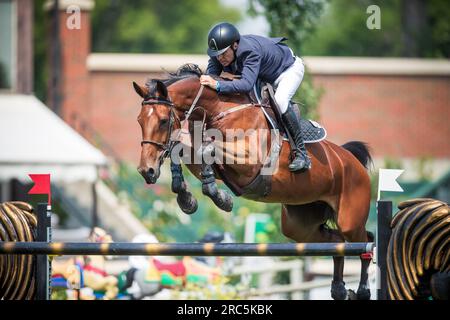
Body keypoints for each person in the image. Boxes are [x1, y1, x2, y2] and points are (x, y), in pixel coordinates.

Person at [200, 22, 311, 172]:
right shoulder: (220, 51)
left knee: (280, 101)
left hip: (287, 70)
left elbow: (245, 84)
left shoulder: (250, 51)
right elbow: (211, 77)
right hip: (265, 74)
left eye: (223, 53)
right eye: (216, 55)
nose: (220, 58)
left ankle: (302, 154)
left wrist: (218, 86)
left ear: (234, 45)